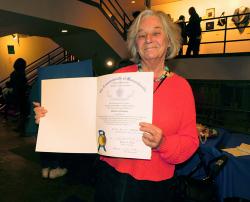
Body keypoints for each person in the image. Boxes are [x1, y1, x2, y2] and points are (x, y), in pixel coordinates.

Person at [34, 9, 199, 202]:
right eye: (141, 35)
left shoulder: (181, 87)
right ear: (135, 44)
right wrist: (52, 118)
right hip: (110, 176)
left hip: (154, 186)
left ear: (169, 40)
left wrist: (163, 143)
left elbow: (190, 142)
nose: (148, 39)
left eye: (156, 32)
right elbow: (88, 118)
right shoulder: (117, 77)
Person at [9, 58, 30, 135]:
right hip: (21, 95)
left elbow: (11, 84)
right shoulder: (21, 73)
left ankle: (19, 127)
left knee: (21, 112)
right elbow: (22, 85)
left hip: (16, 94)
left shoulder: (13, 73)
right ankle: (22, 131)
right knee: (24, 112)